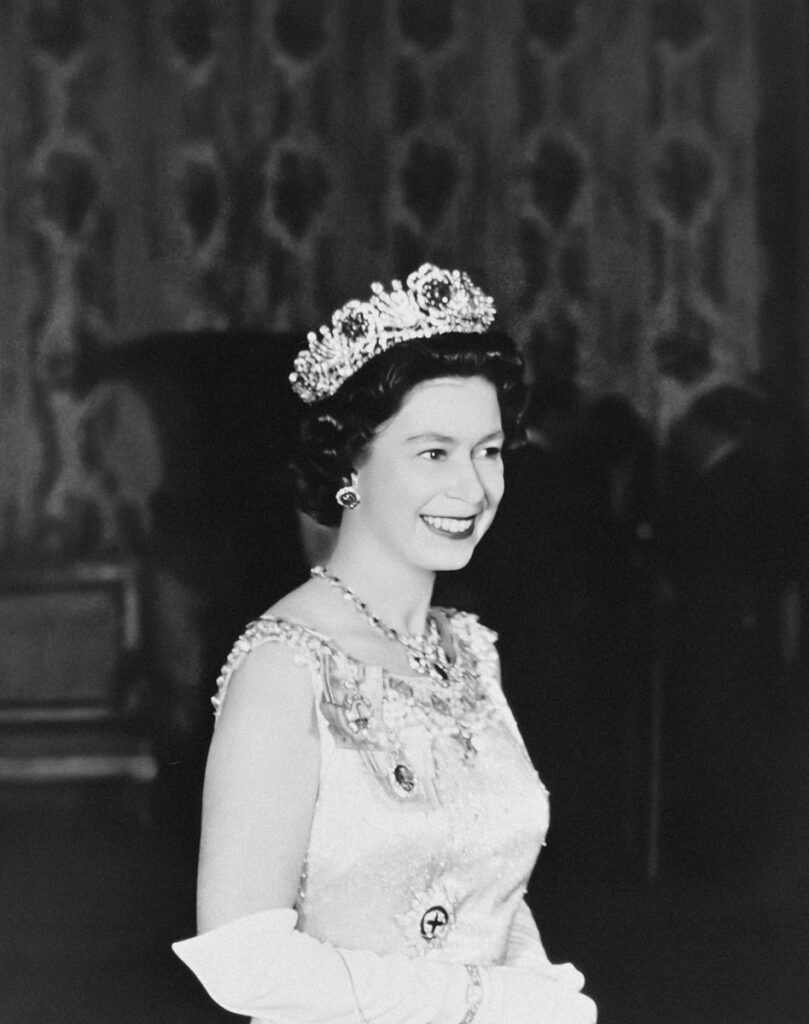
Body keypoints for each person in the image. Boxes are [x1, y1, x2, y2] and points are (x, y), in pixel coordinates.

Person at [172, 264, 597, 1024]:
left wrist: (543, 997)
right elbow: (243, 958)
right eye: (433, 453)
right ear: (350, 467)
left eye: (488, 451)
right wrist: (486, 1002)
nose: (471, 489)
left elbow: (489, 886)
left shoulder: (469, 650)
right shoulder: (284, 665)